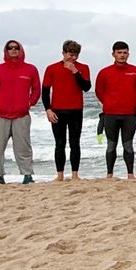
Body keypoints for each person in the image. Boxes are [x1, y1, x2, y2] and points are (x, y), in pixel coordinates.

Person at [0, 39, 40, 184]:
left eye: (16, 48)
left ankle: (27, 175)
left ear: (20, 50)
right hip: (0, 115)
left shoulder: (31, 69)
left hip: (21, 115)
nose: (13, 50)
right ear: (6, 51)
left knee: (23, 147)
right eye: (10, 48)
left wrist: (29, 102)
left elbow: (36, 90)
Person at [95, 41, 136, 180]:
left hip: (129, 114)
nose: (122, 55)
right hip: (110, 114)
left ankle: (130, 174)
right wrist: (109, 104)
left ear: (128, 54)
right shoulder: (104, 72)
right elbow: (99, 91)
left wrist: (132, 104)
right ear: (113, 54)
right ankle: (109, 174)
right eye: (119, 53)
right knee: (111, 145)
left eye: (125, 53)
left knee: (128, 145)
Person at [41, 40, 92, 181]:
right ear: (63, 53)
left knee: (75, 143)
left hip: (76, 110)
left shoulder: (83, 67)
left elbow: (86, 87)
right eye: (70, 55)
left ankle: (75, 174)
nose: (73, 58)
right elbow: (45, 91)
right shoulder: (51, 68)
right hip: (57, 110)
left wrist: (75, 71)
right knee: (60, 143)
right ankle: (60, 175)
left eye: (76, 55)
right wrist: (48, 110)